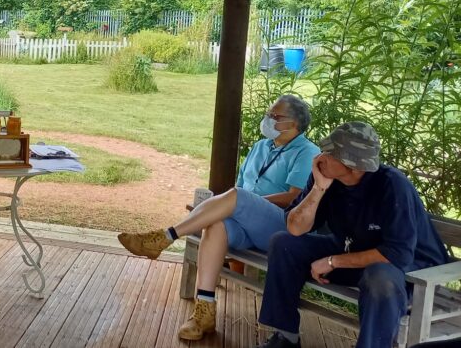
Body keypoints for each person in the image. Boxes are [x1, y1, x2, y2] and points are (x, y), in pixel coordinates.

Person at [118, 95, 320, 341]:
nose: (268, 119)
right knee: (215, 224)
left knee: (237, 197)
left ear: (295, 124)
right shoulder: (261, 147)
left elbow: (294, 197)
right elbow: (240, 186)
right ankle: (204, 313)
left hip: (281, 228)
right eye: (269, 113)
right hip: (247, 225)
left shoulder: (307, 152)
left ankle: (165, 236)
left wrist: (248, 204)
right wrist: (232, 206)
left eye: (276, 116)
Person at [256, 122, 448, 348]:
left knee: (380, 278)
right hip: (354, 253)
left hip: (409, 271)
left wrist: (332, 261)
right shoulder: (326, 178)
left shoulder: (392, 186)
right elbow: (295, 228)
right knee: (283, 244)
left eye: (330, 153)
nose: (321, 156)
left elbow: (397, 253)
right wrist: (318, 189)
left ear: (353, 165)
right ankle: (286, 338)